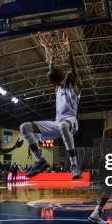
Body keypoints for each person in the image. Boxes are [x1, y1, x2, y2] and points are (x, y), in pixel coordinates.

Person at [20, 40, 82, 179]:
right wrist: (51, 54)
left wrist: (69, 50)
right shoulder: (58, 87)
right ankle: (39, 160)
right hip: (57, 123)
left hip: (70, 121)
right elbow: (52, 72)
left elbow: (73, 68)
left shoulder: (74, 87)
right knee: (24, 127)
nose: (64, 73)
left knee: (63, 127)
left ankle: (74, 165)